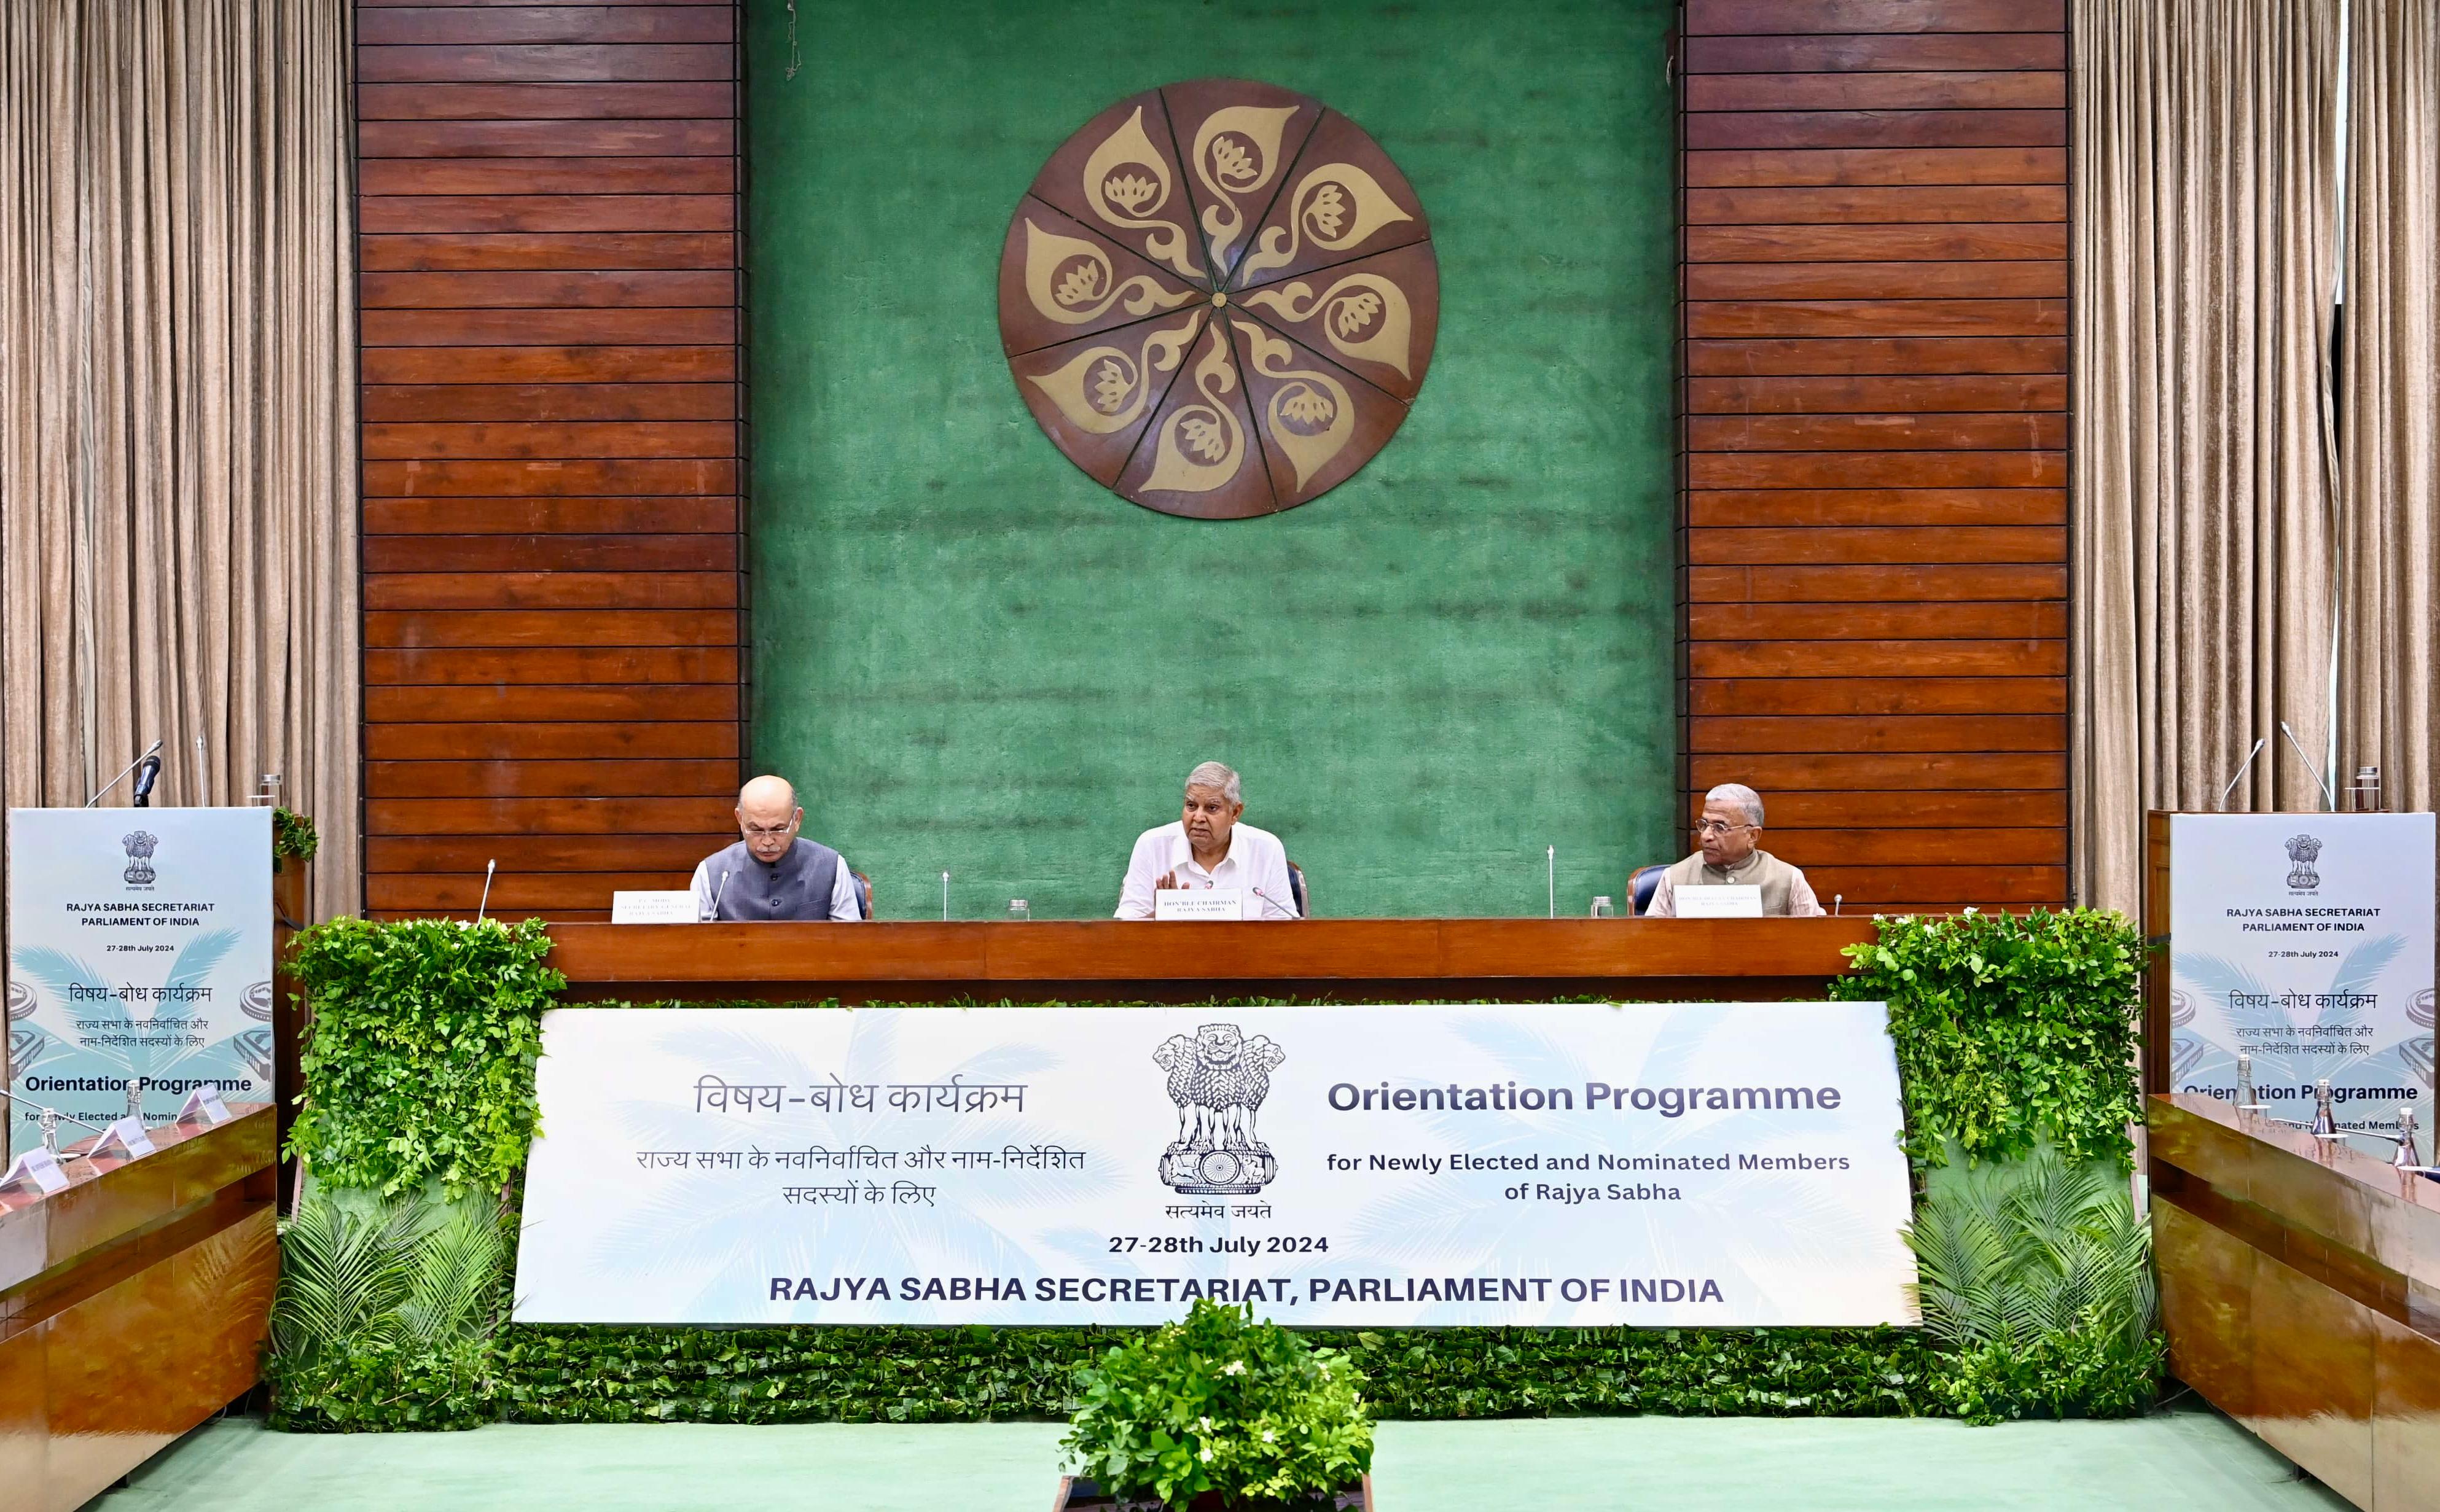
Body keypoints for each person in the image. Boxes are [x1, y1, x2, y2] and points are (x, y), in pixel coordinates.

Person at [1116, 762, 1300, 919]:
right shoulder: (1152, 845)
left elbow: (1285, 931)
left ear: (1235, 813)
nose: (1198, 817)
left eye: (1211, 808)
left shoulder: (1266, 848)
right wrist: (1161, 916)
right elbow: (1125, 933)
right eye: (1191, 806)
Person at [689, 775, 865, 921]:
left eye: (778, 829)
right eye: (756, 830)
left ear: (797, 819)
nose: (767, 841)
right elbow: (696, 948)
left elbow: (849, 943)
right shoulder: (710, 873)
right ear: (740, 819)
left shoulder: (832, 867)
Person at [1644, 782, 1823, 918]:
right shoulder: (1674, 877)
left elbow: (1815, 941)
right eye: (1704, 824)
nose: (1706, 836)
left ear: (1752, 836)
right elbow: (1649, 944)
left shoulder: (1789, 879)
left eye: (1720, 827)